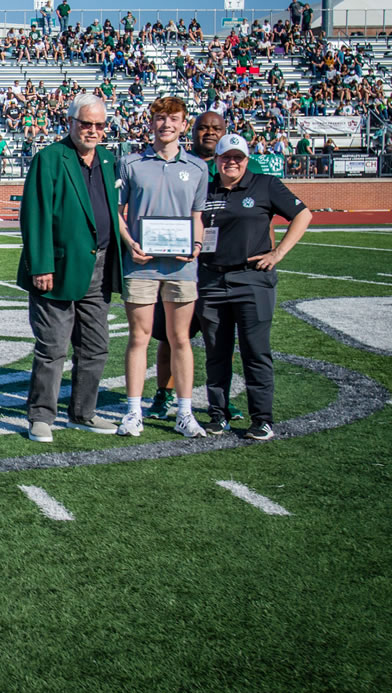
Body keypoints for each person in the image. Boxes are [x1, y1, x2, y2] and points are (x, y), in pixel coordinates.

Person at [16, 94, 123, 442]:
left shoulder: (107, 159)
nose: (92, 131)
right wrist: (41, 265)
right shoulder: (50, 158)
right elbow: (35, 215)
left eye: (98, 125)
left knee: (96, 346)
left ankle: (83, 411)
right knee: (52, 347)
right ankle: (41, 416)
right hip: (58, 268)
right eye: (85, 123)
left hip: (101, 265)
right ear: (71, 122)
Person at [148, 111, 263, 420]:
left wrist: (268, 252)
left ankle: (220, 398)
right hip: (178, 263)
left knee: (219, 341)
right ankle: (164, 392)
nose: (209, 133)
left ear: (226, 131)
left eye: (217, 128)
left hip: (220, 268)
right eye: (203, 128)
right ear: (191, 130)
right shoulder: (179, 163)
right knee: (170, 336)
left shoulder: (233, 165)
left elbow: (262, 217)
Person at [198, 136, 311, 439]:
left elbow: (303, 214)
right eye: (225, 157)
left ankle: (261, 419)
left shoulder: (265, 184)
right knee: (216, 351)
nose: (231, 162)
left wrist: (278, 253)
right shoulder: (204, 188)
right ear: (217, 158)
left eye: (238, 157)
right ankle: (218, 415)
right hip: (211, 279)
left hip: (252, 279)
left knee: (255, 351)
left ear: (247, 159)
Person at [115, 98, 208, 440]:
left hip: (182, 267)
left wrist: (195, 247)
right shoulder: (131, 163)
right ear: (150, 123)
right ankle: (133, 412)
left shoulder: (198, 168)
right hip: (140, 265)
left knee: (180, 338)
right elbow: (119, 213)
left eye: (173, 119)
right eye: (159, 118)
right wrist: (130, 244)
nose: (166, 124)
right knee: (139, 338)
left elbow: (198, 217)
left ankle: (184, 412)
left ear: (184, 125)